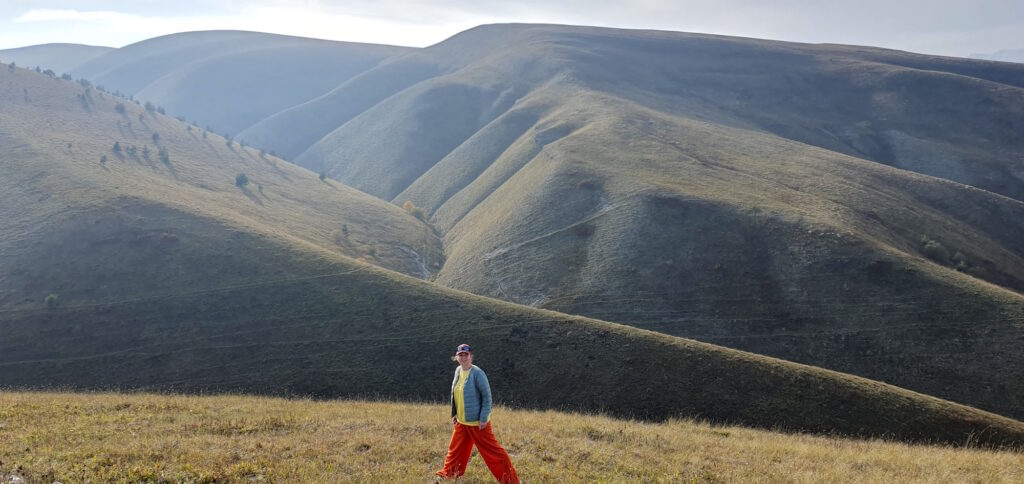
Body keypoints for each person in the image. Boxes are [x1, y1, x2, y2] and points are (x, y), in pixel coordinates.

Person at [435, 343, 519, 483]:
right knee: (455, 451)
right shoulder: (458, 371)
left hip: (477, 423)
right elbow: (455, 393)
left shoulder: (478, 373)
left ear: (471, 356)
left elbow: (487, 397)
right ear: (457, 357)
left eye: (466, 355)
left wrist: (483, 418)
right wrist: (455, 413)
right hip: (462, 422)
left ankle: (511, 481)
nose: (463, 358)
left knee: (493, 453)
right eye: (460, 355)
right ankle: (448, 475)